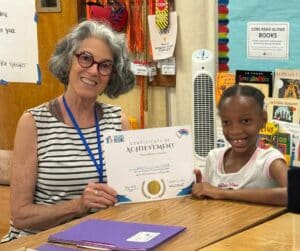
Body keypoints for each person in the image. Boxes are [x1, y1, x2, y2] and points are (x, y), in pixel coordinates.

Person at [1, 20, 135, 242]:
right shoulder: (33, 122)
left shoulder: (118, 122)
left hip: (100, 239)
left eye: (105, 65)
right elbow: (21, 215)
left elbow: (133, 192)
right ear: (68, 60)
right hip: (41, 240)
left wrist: (179, 181)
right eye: (86, 58)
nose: (93, 71)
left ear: (112, 74)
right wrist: (78, 206)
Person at [192, 85, 288, 206]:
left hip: (261, 224)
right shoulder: (214, 158)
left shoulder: (269, 160)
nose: (235, 131)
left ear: (263, 120)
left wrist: (223, 193)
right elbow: (209, 196)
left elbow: (294, 193)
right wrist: (200, 190)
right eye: (226, 122)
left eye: (245, 121)